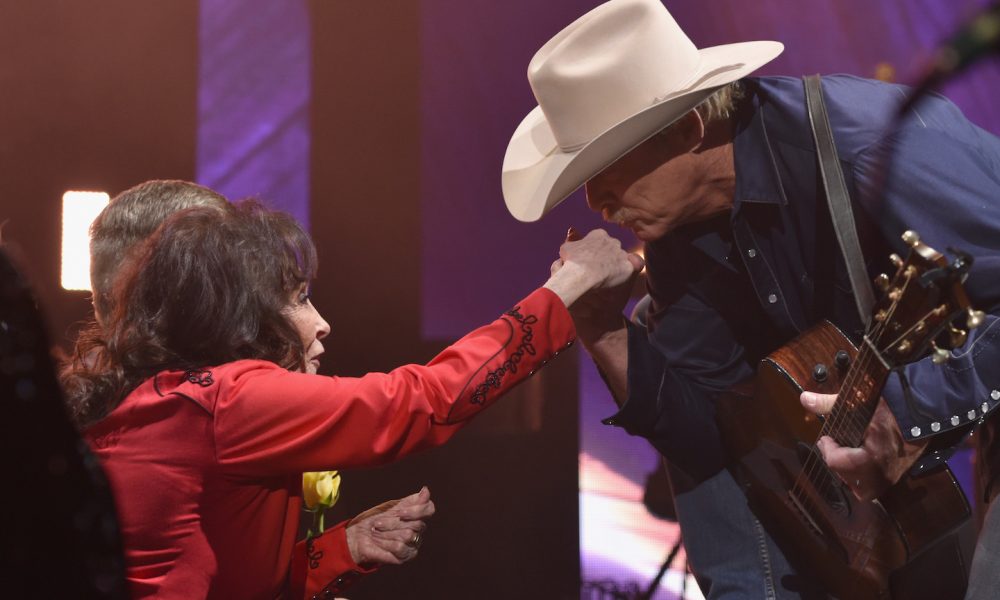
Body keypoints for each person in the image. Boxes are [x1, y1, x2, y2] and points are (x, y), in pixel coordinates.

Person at [501, 0, 1000, 598]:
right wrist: (604, 331)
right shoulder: (680, 232)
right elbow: (712, 435)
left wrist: (906, 409)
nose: (593, 201)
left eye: (605, 165)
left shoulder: (871, 149)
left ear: (688, 130)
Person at [63, 195, 641, 599]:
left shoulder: (163, 398)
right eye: (296, 299)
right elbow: (423, 401)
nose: (322, 324)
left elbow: (221, 578)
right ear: (238, 316)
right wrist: (568, 286)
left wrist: (347, 547)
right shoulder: (230, 400)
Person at [86, 179, 435, 598]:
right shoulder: (203, 402)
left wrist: (344, 548)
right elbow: (411, 400)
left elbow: (212, 572)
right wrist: (539, 312)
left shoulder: (157, 396)